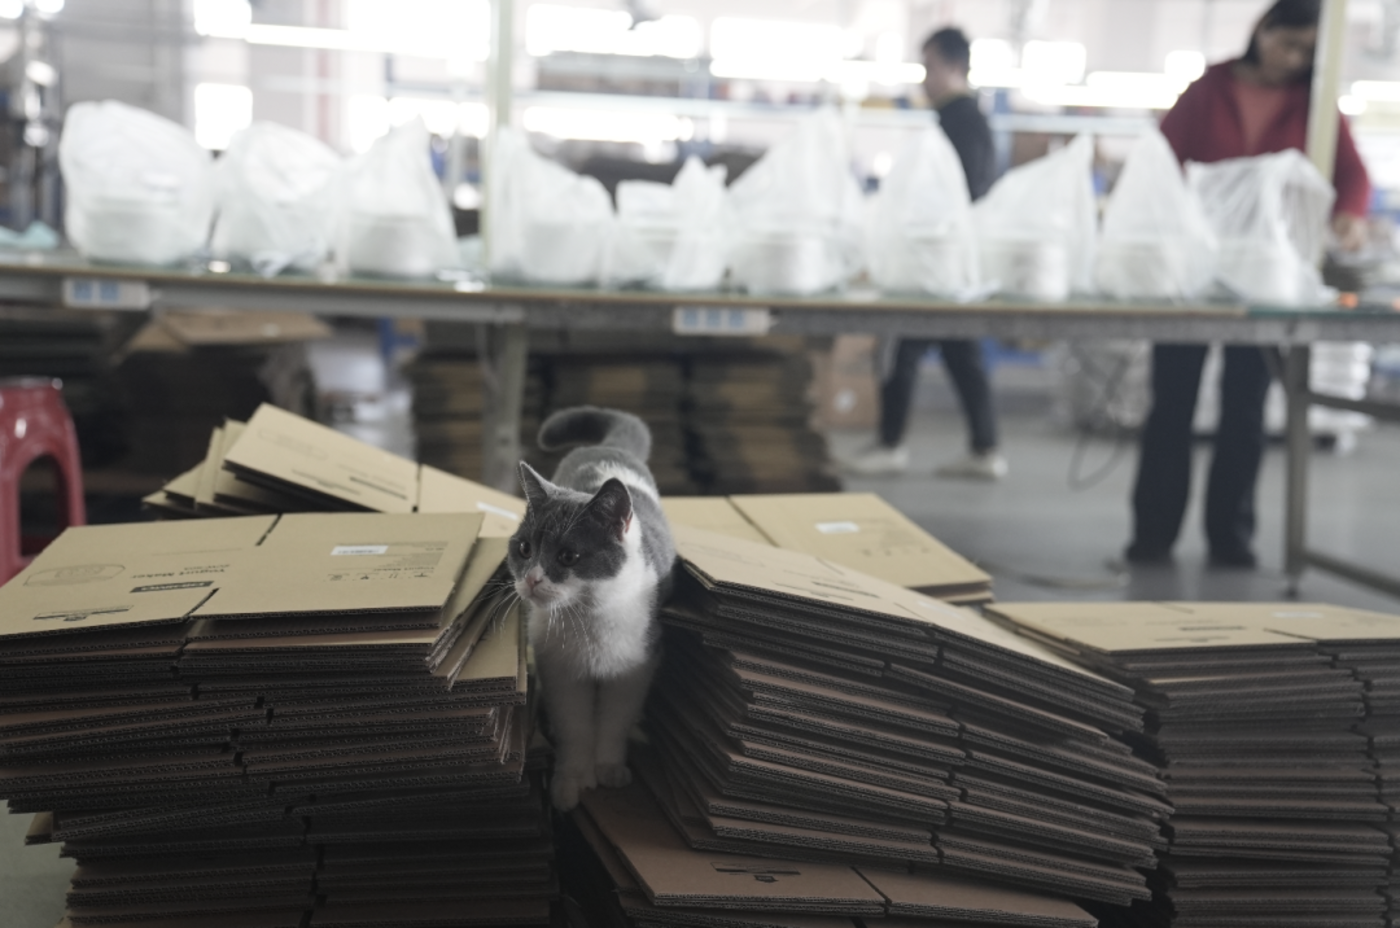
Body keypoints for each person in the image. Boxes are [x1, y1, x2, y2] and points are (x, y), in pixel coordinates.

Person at [1125, 0, 1370, 569]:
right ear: (1262, 30)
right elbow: (1160, 161)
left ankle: (1230, 537)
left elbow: (1352, 173)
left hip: (1267, 279)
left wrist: (1351, 214)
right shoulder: (1208, 89)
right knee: (1172, 405)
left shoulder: (1314, 103)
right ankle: (1152, 536)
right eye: (1288, 43)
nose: (1294, 58)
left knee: (1246, 408)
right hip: (1192, 275)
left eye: (1307, 51)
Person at [844, 27, 1007, 480]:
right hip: (946, 263)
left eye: (930, 66)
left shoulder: (959, 121)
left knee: (903, 346)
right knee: (961, 354)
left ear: (955, 67)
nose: (924, 77)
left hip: (933, 264)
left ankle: (891, 443)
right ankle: (985, 448)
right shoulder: (960, 119)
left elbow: (949, 195)